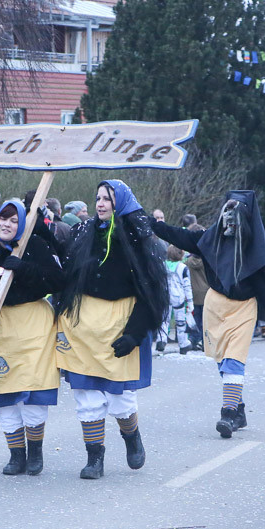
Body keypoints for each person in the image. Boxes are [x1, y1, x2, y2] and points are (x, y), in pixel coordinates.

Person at [153, 191, 265, 439]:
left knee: (233, 361)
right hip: (215, 305)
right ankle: (238, 409)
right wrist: (154, 225)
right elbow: (180, 236)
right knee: (222, 362)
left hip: (243, 308)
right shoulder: (210, 239)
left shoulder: (257, 253)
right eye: (227, 211)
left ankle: (227, 414)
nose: (230, 217)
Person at [56, 180, 167, 479]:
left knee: (119, 398)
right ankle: (95, 458)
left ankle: (131, 438)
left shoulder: (139, 240)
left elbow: (151, 294)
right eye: (98, 198)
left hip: (121, 323)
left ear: (123, 203)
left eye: (108, 199)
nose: (101, 204)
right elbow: (62, 273)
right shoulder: (83, 233)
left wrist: (134, 334)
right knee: (87, 396)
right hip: (82, 324)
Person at [0, 199, 64, 475]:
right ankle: (16, 455)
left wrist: (24, 268)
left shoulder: (35, 248)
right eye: (2, 220)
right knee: (4, 392)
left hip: (35, 326)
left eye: (13, 220)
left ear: (23, 223)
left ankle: (35, 454)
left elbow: (57, 279)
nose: (6, 225)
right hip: (1, 328)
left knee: (33, 392)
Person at [157, 245, 193, 353]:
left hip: (165, 295)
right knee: (180, 322)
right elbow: (187, 286)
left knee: (164, 320)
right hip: (178, 297)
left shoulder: (162, 265)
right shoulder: (183, 267)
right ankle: (183, 344)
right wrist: (190, 301)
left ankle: (161, 340)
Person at [184, 223, 209, 351]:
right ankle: (205, 342)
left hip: (193, 294)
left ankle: (194, 339)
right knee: (206, 320)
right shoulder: (208, 259)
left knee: (194, 318)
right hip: (207, 293)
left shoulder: (187, 262)